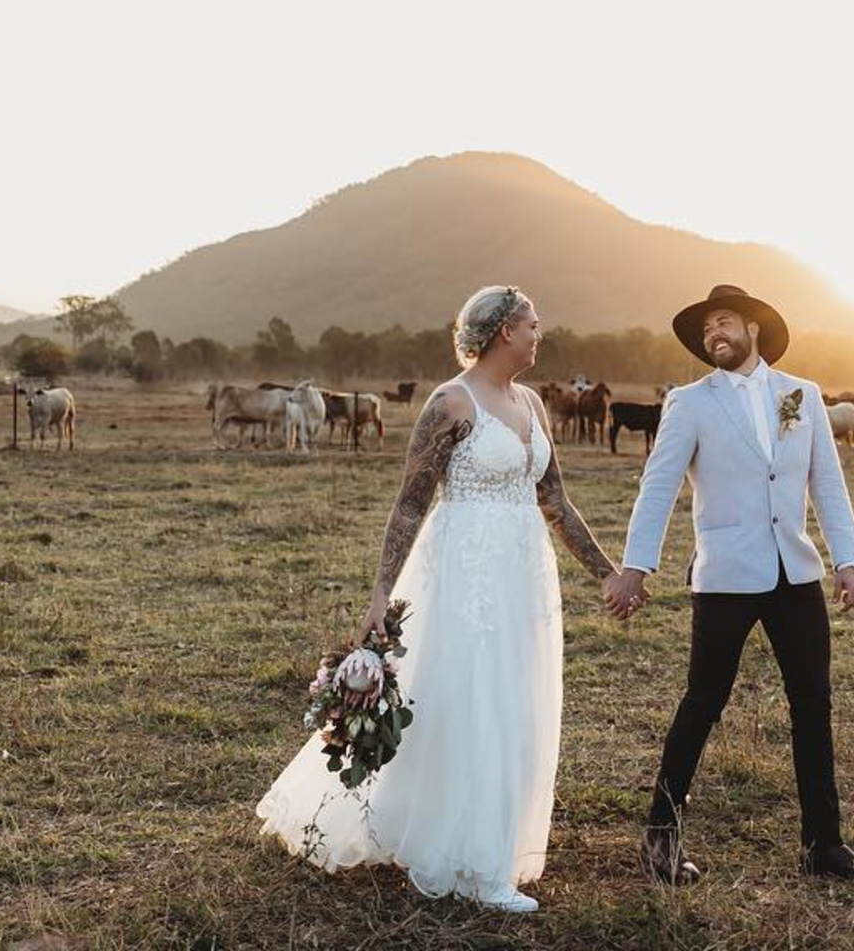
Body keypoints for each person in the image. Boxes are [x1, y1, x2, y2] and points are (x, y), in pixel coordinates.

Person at [255, 286, 628, 913]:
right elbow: (410, 503)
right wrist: (380, 594)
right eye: (534, 324)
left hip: (523, 576)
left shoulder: (533, 402)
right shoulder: (449, 402)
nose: (541, 334)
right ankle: (479, 870)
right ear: (505, 329)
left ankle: (491, 843)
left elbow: (555, 501)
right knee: (471, 699)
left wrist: (608, 574)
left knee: (515, 699)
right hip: (463, 572)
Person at [606, 284, 854, 886]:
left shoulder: (802, 396)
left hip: (796, 574)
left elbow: (827, 484)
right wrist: (636, 567)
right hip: (726, 577)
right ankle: (660, 840)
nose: (716, 333)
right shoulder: (688, 403)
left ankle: (825, 846)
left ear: (753, 328)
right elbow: (657, 487)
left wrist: (849, 560)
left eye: (726, 322)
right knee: (702, 704)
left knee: (813, 707)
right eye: (708, 326)